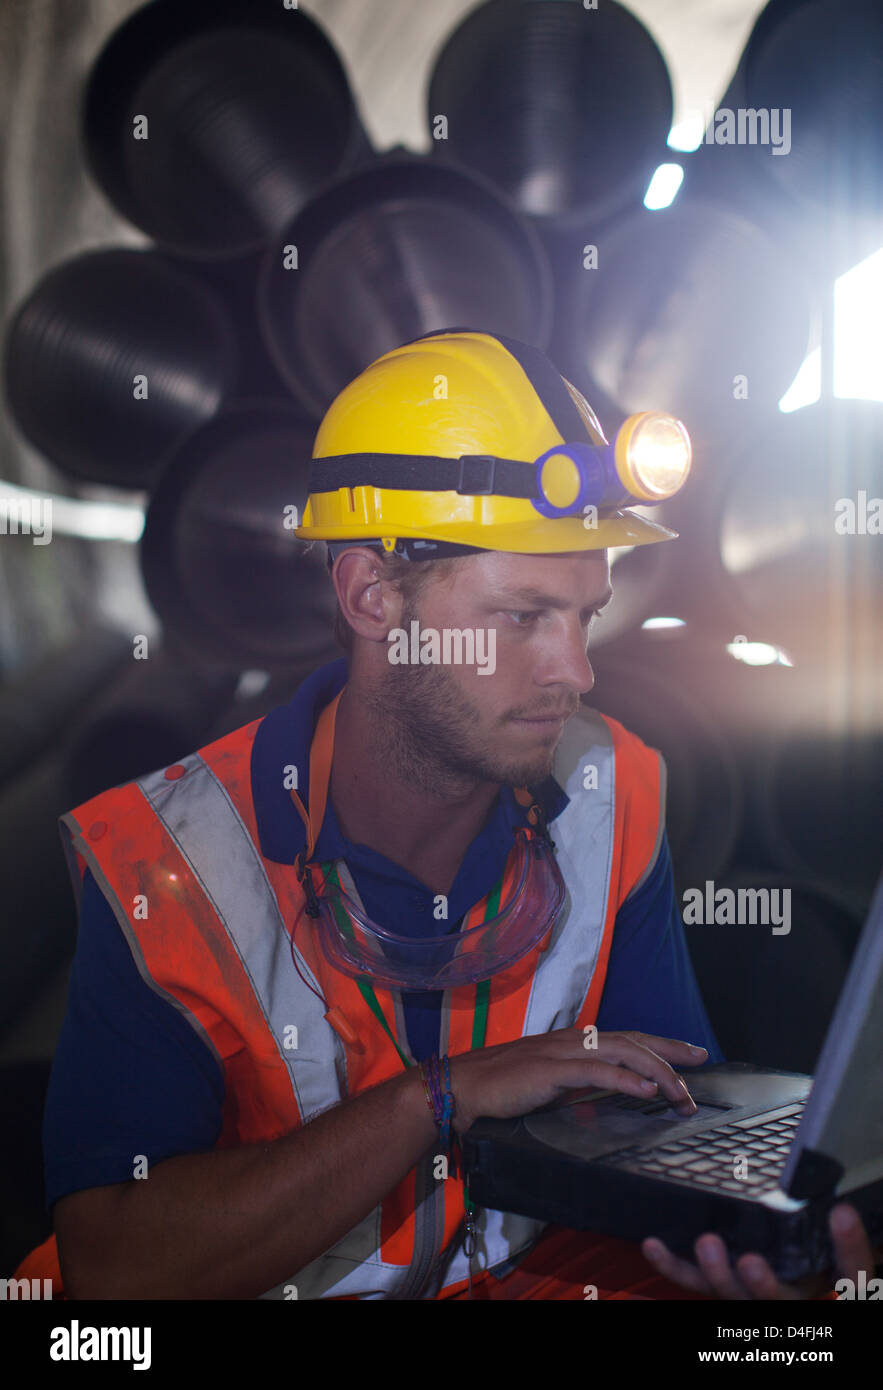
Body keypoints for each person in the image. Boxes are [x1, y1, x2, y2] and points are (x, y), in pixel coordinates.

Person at [14, 328, 875, 1300]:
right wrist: (442, 1098)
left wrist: (754, 1257)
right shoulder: (165, 864)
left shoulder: (610, 789)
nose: (575, 671)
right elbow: (116, 1265)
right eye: (520, 617)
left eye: (583, 615)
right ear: (373, 594)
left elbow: (667, 1131)